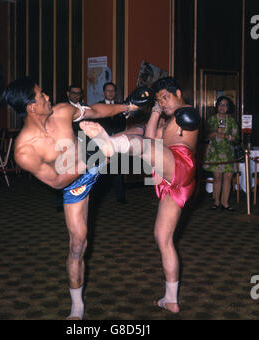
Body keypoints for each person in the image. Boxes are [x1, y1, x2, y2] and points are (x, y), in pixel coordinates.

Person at [3, 77, 146, 320]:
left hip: (94, 153)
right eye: (41, 95)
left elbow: (98, 110)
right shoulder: (24, 150)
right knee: (78, 244)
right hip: (74, 182)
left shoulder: (62, 111)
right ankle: (77, 305)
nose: (48, 97)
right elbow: (58, 181)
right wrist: (96, 156)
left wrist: (128, 107)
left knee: (139, 136)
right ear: (31, 107)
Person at [79, 77, 200, 314]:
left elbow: (151, 141)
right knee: (162, 238)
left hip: (180, 163)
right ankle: (171, 298)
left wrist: (158, 115)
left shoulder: (186, 111)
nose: (163, 103)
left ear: (177, 92)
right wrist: (155, 108)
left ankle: (108, 144)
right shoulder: (168, 116)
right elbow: (153, 137)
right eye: (159, 100)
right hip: (172, 179)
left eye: (165, 97)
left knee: (139, 139)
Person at [94, 82, 127, 204]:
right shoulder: (98, 106)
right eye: (108, 91)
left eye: (112, 91)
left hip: (117, 142)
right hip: (102, 143)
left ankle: (120, 196)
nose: (110, 93)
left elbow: (123, 124)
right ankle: (96, 197)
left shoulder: (121, 106)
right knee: (100, 170)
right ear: (104, 92)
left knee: (118, 170)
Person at [203, 96, 239, 211]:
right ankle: (216, 202)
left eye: (225, 105)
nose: (222, 107)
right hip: (215, 153)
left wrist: (227, 136)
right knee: (217, 177)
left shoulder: (232, 120)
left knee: (228, 178)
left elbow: (237, 138)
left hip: (228, 153)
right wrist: (215, 133)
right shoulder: (211, 119)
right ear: (217, 106)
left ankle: (225, 203)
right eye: (220, 105)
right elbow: (205, 136)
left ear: (228, 108)